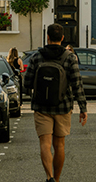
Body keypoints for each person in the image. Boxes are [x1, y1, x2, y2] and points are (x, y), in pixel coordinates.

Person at [24, 23, 87, 182]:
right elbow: (76, 84)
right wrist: (83, 108)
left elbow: (27, 82)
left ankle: (49, 176)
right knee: (59, 145)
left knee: (45, 143)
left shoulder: (37, 57)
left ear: (48, 37)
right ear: (63, 38)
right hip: (63, 106)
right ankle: (57, 179)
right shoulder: (70, 57)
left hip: (41, 106)